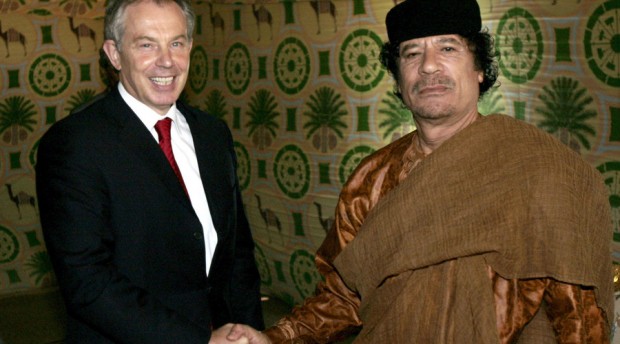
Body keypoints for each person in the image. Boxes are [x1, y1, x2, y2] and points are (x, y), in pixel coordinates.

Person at [226, 0, 613, 342]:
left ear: (480, 68)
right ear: (399, 79)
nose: (428, 65)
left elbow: (579, 318)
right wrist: (274, 338)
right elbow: (343, 298)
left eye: (448, 48)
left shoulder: (543, 170)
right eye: (411, 53)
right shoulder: (371, 178)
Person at [36, 0, 264, 342]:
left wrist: (252, 331)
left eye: (177, 42)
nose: (167, 61)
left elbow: (238, 254)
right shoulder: (74, 144)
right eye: (147, 44)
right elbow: (89, 283)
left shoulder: (214, 134)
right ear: (114, 54)